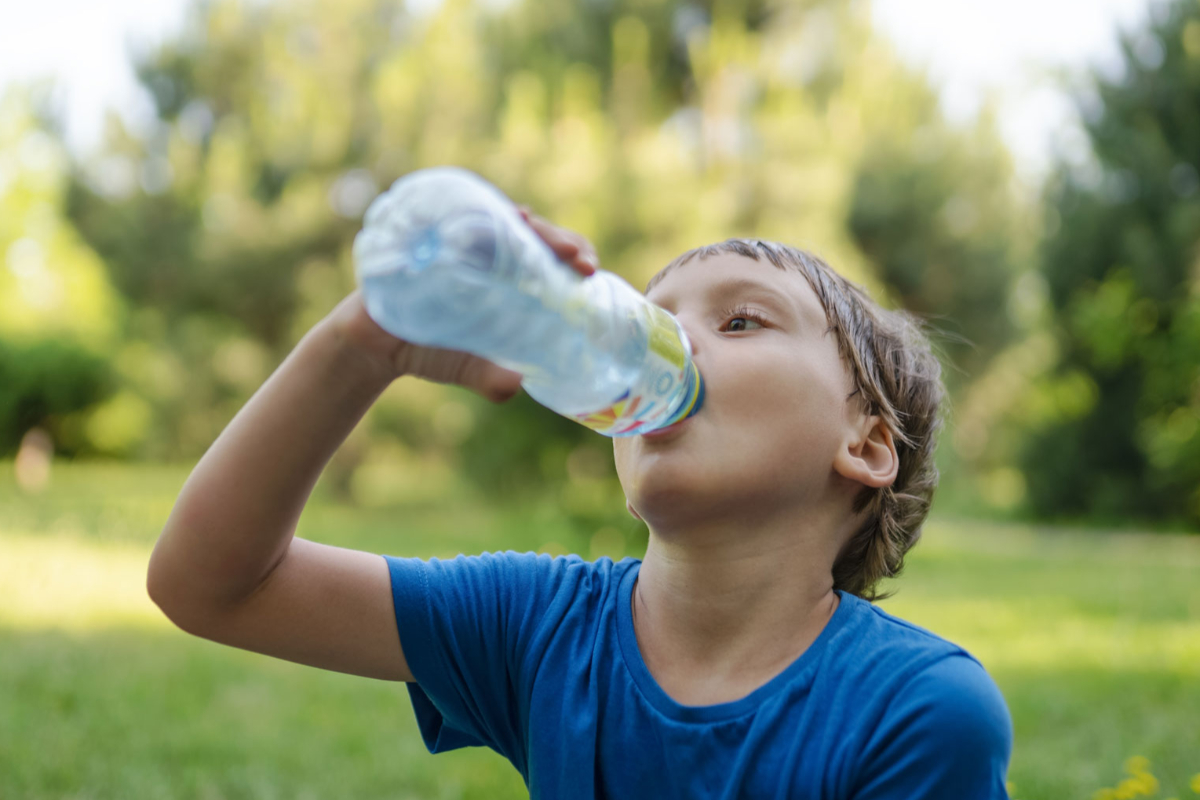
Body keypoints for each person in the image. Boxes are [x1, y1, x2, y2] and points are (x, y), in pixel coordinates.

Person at [147, 205, 1013, 799]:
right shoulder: (543, 624)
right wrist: (358, 348)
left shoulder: (921, 711)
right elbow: (212, 585)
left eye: (742, 321)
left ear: (863, 445)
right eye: (651, 320)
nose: (666, 348)